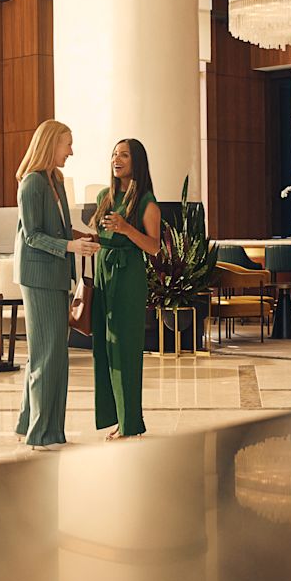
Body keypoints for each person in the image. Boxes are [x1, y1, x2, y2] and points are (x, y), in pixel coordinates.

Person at [14, 119, 98, 450]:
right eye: (68, 144)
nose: (71, 151)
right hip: (38, 278)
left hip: (57, 275)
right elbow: (32, 235)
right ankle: (41, 433)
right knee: (48, 355)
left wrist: (84, 238)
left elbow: (60, 231)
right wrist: (70, 247)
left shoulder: (56, 180)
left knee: (49, 355)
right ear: (51, 145)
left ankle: (31, 426)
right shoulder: (31, 184)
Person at [91, 138, 161, 441]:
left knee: (126, 349)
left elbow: (154, 247)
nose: (116, 159)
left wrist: (126, 228)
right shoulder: (104, 196)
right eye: (114, 154)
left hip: (128, 276)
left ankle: (130, 422)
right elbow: (100, 235)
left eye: (124, 155)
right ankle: (114, 416)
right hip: (103, 273)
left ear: (137, 162)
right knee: (104, 349)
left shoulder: (146, 201)